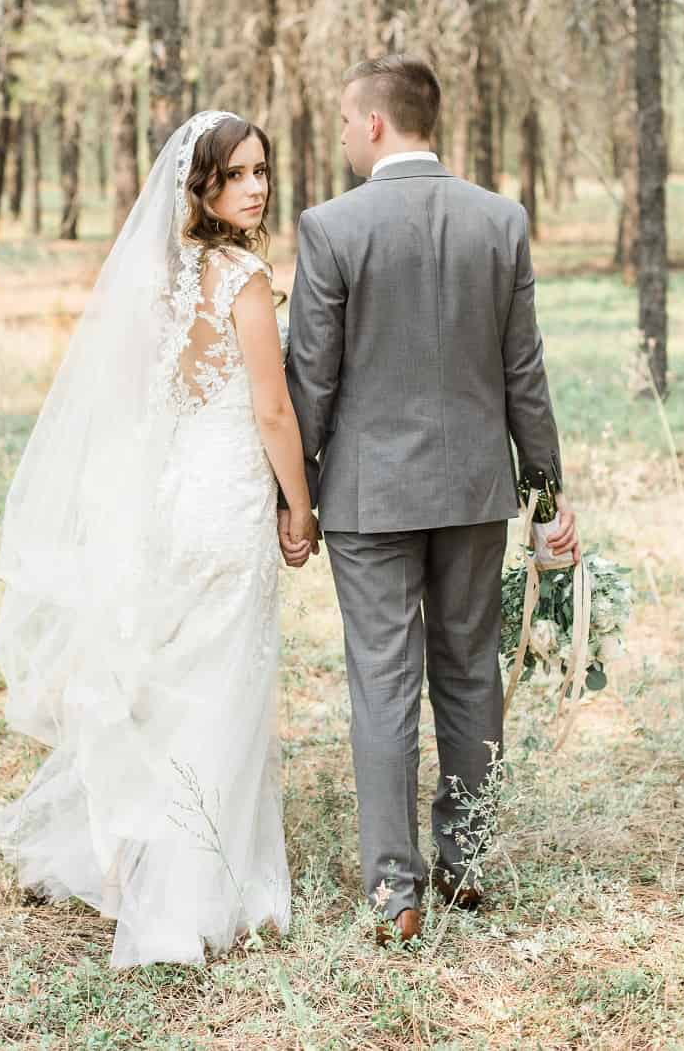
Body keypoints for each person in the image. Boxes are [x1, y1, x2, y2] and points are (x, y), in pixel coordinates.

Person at [0, 111, 314, 968]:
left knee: (173, 679)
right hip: (229, 496)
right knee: (221, 684)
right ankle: (199, 886)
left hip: (173, 494)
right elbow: (273, 409)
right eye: (237, 174)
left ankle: (137, 856)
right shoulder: (242, 276)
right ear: (199, 185)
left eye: (262, 170)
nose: (256, 186)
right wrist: (301, 505)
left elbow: (134, 398)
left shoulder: (159, 275)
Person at [281, 54, 579, 947]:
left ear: (374, 124)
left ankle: (392, 893)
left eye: (342, 118)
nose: (338, 134)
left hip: (370, 498)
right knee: (470, 668)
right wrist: (546, 490)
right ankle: (469, 862)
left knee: (382, 680)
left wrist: (294, 494)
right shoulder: (500, 220)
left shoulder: (332, 228)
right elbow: (523, 367)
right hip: (478, 488)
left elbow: (312, 379)